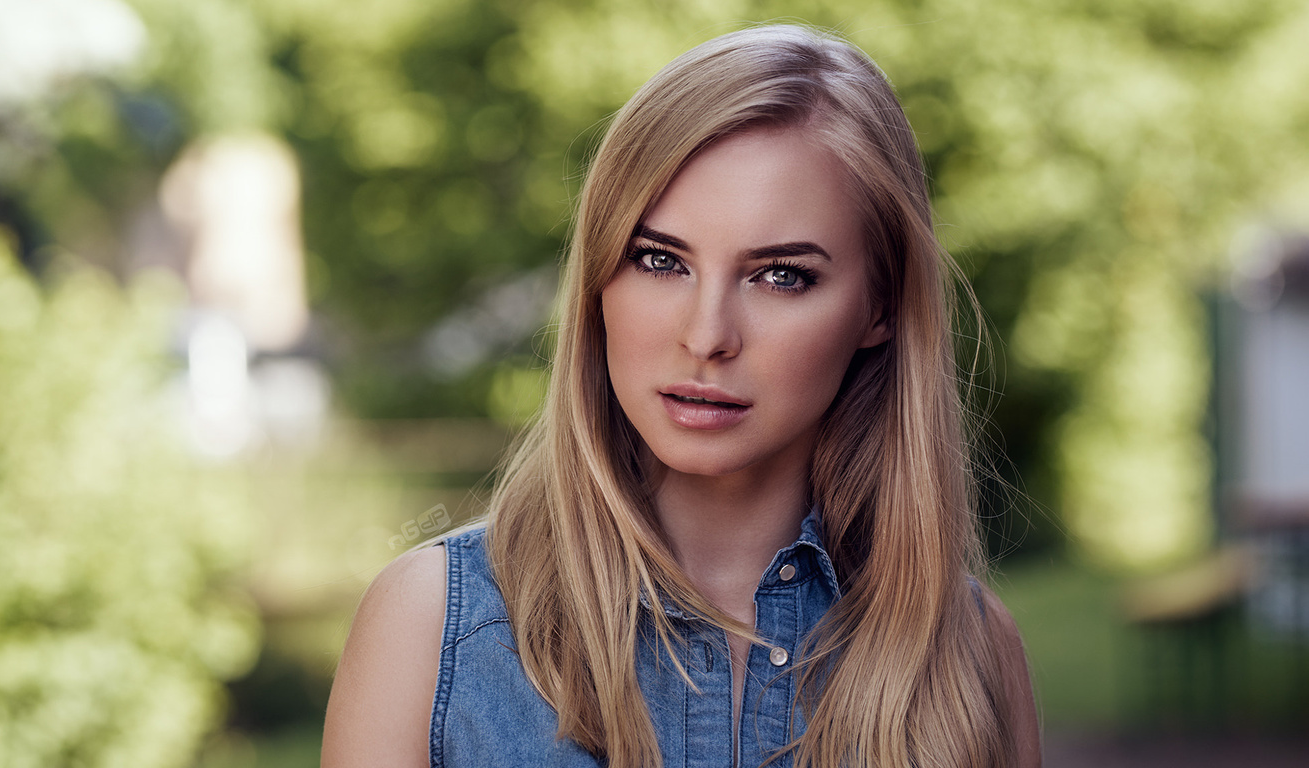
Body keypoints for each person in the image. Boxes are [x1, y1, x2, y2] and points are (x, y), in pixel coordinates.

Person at [321, 23, 1041, 768]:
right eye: (660, 259)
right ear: (600, 277)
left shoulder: (971, 655)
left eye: (781, 275)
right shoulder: (431, 628)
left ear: (881, 308)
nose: (707, 336)